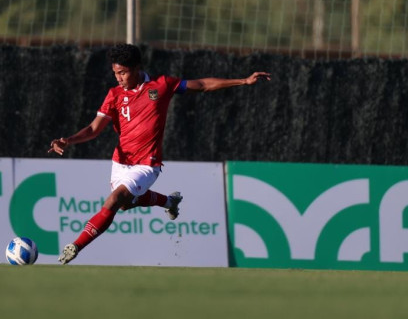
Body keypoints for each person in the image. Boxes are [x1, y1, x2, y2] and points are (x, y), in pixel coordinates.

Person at [48, 44, 270, 264]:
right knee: (124, 204)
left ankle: (75, 246)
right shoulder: (114, 94)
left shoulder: (161, 85)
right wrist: (68, 140)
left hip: (147, 164)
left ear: (137, 67)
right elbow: (93, 129)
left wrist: (243, 81)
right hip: (120, 162)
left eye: (123, 72)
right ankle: (169, 201)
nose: (118, 78)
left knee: (115, 200)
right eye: (115, 73)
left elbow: (202, 85)